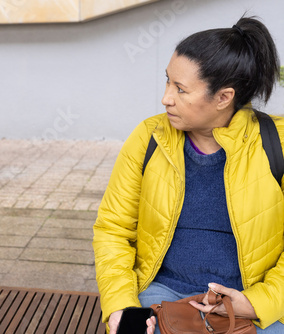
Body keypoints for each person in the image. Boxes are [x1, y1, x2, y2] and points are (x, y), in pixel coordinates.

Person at [93, 16, 283, 334]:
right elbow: (113, 231)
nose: (166, 97)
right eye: (168, 81)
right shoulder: (148, 137)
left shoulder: (276, 142)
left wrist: (256, 302)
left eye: (181, 89)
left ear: (224, 97)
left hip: (249, 302)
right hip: (159, 295)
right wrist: (121, 307)